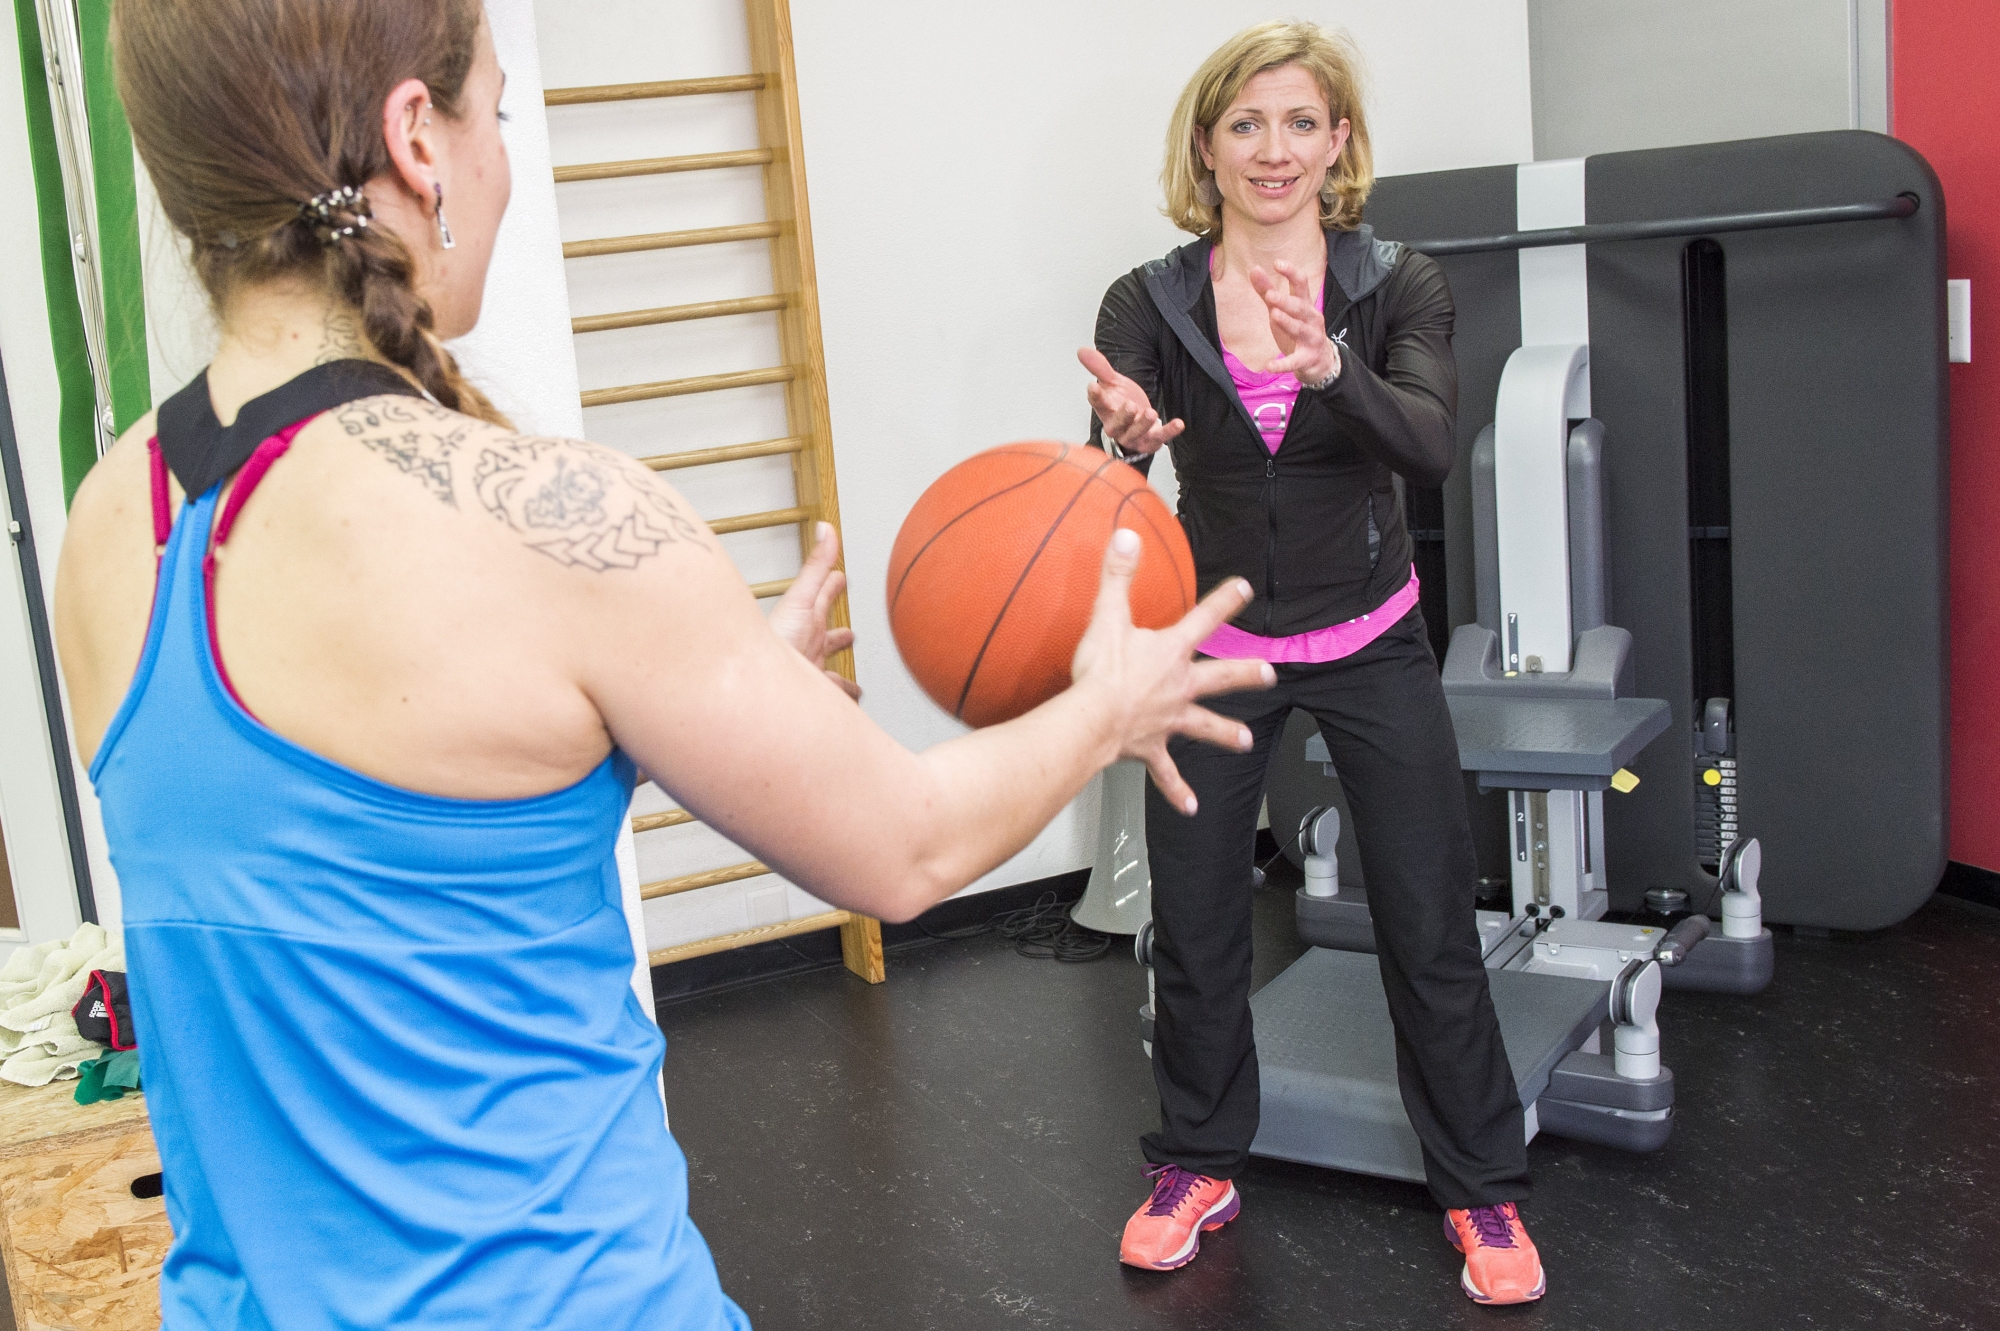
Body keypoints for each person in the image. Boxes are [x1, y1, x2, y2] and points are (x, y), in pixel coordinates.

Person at [52, 2, 1273, 1326]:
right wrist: (1111, 703)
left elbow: (378, 854)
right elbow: (905, 847)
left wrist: (690, 701)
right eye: (497, 117)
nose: (502, 160)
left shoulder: (118, 522)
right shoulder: (556, 518)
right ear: (418, 138)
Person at [1078, 20, 1545, 1305]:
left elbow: (1429, 444)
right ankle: (1196, 1162)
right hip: (1214, 650)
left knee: (1427, 918)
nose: (1271, 150)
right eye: (1244, 125)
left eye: (1298, 123)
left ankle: (1480, 1187)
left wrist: (1327, 365)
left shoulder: (1398, 284)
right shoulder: (1150, 298)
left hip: (1368, 638)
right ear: (1206, 147)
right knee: (1200, 923)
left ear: (1337, 143)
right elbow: (1117, 448)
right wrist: (1116, 442)